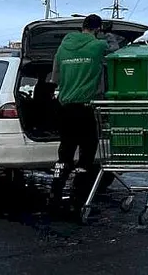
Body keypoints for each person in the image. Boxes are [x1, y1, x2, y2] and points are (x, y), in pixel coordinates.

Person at [50, 13, 108, 206]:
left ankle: (55, 191)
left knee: (65, 151)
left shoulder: (62, 48)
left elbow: (55, 79)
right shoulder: (99, 46)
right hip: (86, 109)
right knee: (87, 152)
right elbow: (115, 54)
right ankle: (80, 193)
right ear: (97, 30)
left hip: (64, 109)